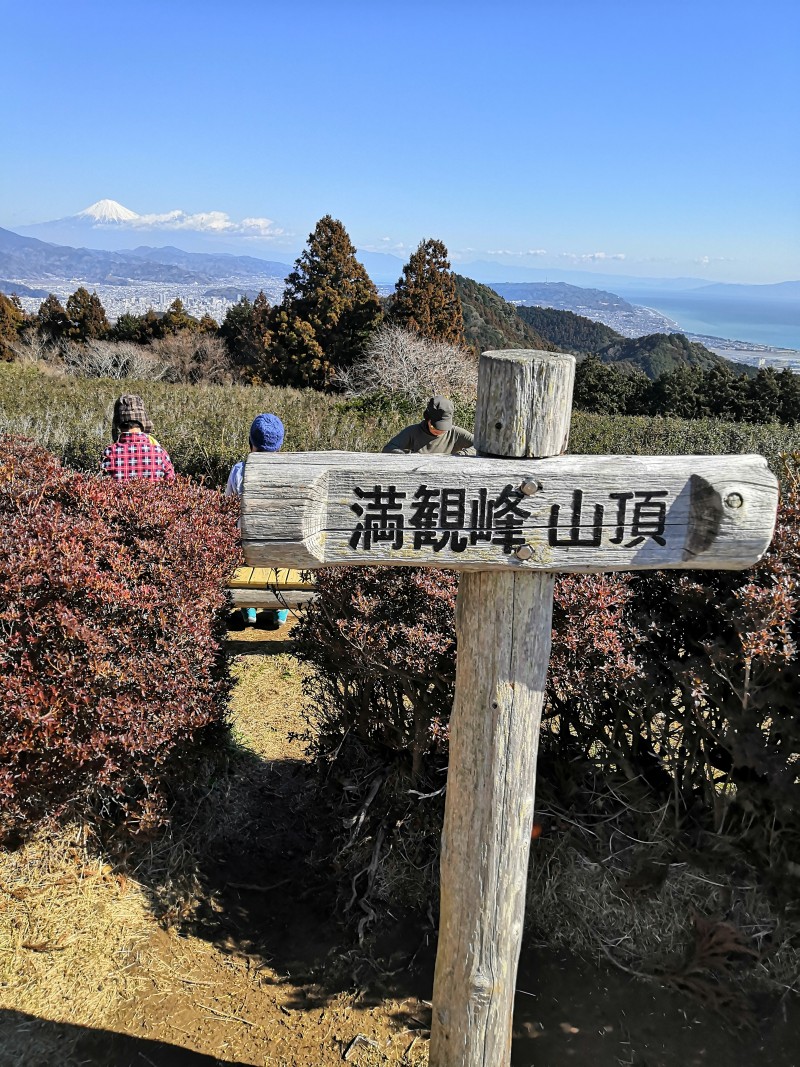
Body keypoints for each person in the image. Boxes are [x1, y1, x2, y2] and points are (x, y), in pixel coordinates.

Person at [226, 413, 289, 629]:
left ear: (250, 441)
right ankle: (278, 610)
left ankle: (248, 607)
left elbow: (228, 509)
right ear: (279, 445)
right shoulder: (287, 473)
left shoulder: (239, 470)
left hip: (248, 549)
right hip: (279, 549)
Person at [101, 394, 175, 483]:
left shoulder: (109, 453)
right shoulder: (160, 453)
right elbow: (172, 484)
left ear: (118, 423)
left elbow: (101, 487)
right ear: (143, 421)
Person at [381, 395, 475, 456]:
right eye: (435, 427)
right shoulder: (413, 431)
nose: (439, 431)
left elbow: (480, 446)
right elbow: (388, 449)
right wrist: (410, 455)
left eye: (444, 428)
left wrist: (460, 455)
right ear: (427, 419)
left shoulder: (455, 433)